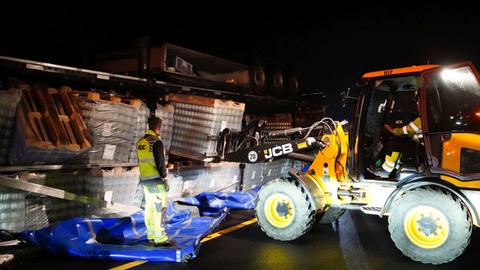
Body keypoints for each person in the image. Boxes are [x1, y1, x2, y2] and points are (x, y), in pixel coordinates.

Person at [137, 116, 173, 246]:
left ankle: (151, 234)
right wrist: (164, 178)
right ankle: (160, 237)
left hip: (145, 180)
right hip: (156, 181)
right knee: (160, 209)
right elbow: (160, 163)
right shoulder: (156, 142)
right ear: (158, 127)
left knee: (150, 208)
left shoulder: (141, 142)